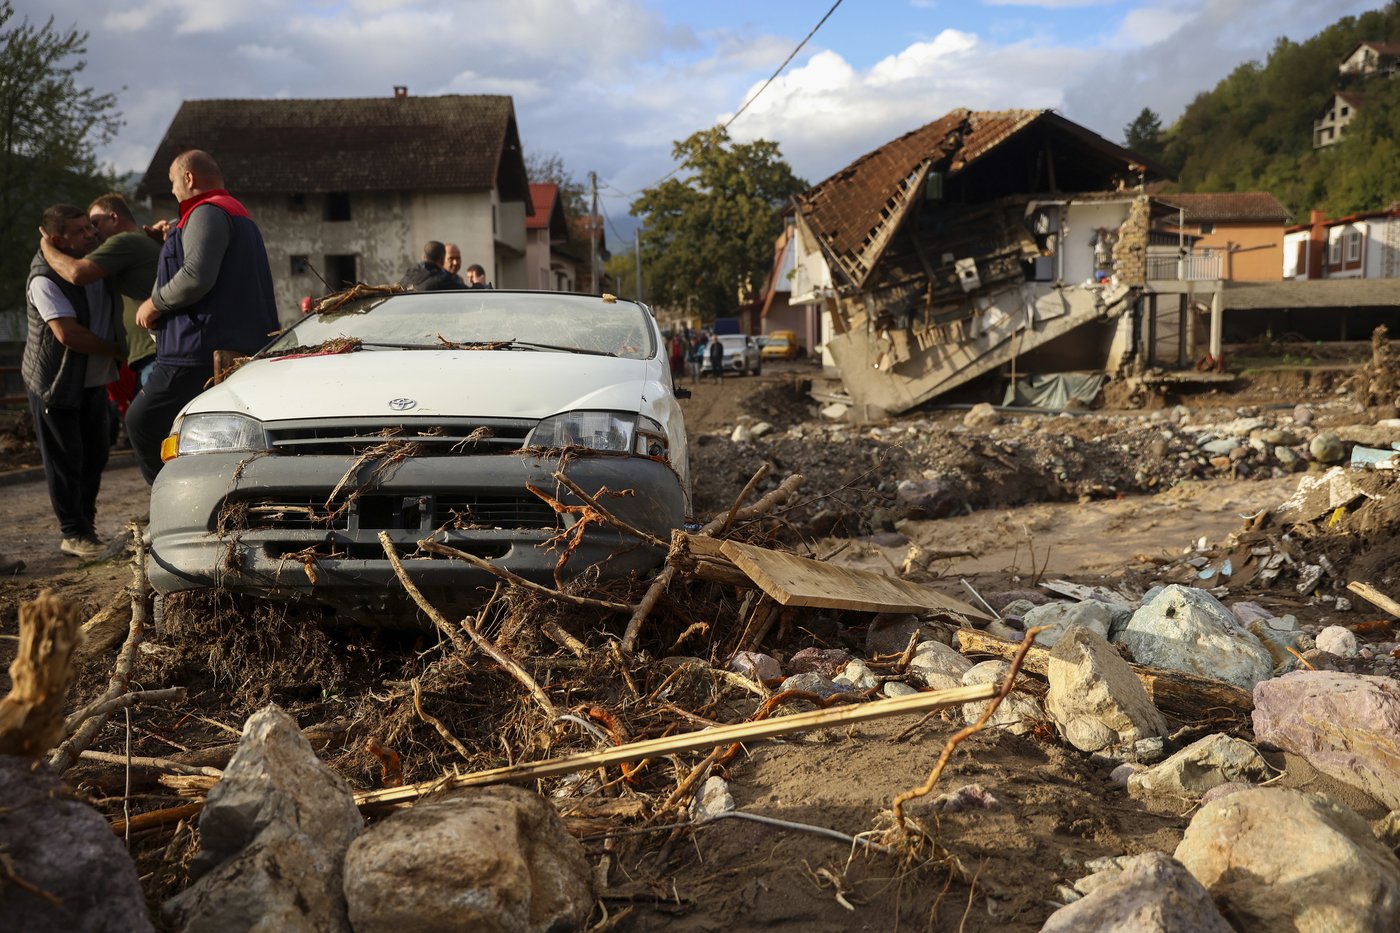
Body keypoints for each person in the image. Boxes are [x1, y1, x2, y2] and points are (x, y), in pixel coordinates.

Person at [126, 149, 279, 484]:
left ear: (188, 178)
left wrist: (155, 303)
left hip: (196, 348)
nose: (172, 191)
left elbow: (196, 276)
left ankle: (164, 500)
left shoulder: (207, 213)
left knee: (142, 421)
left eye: (172, 183)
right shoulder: (233, 212)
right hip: (226, 342)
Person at [22, 204, 124, 558]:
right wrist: (117, 348)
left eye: (89, 228)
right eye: (80, 231)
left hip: (91, 380)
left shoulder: (90, 261)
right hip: (56, 382)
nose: (91, 234)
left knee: (95, 455)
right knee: (65, 461)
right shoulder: (44, 279)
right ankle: (74, 533)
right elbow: (68, 334)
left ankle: (86, 529)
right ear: (56, 240)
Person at [39, 192, 160, 388]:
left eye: (94, 224)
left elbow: (76, 273)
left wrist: (46, 248)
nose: (93, 233)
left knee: (144, 419)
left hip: (153, 355)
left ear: (113, 218)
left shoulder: (124, 241)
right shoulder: (139, 241)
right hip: (151, 355)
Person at [399, 241, 463, 291]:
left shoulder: (409, 275)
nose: (455, 263)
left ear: (424, 257)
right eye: (450, 259)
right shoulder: (443, 280)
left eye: (458, 258)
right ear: (442, 259)